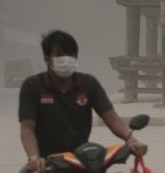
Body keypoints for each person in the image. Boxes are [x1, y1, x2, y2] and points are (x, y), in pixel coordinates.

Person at [18, 30, 147, 172]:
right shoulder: (33, 86)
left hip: (82, 161)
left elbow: (111, 118)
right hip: (47, 164)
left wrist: (131, 140)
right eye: (60, 55)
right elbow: (27, 128)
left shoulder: (88, 84)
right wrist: (34, 157)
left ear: (76, 56)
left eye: (70, 54)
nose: (66, 59)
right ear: (48, 60)